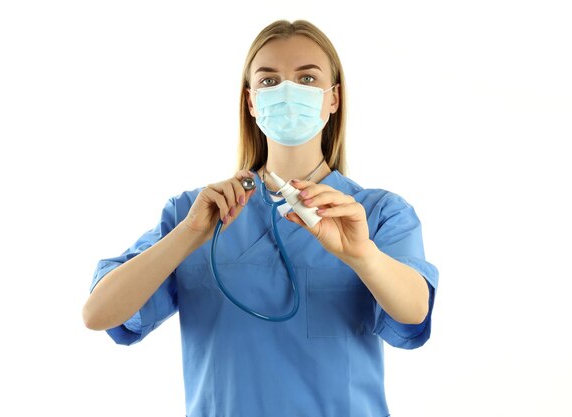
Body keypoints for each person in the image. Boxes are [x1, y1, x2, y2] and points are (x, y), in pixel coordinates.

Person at [83, 19, 438, 417]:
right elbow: (99, 313)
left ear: (333, 98)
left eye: (306, 78)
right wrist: (190, 234)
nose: (288, 92)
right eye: (269, 82)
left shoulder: (375, 213)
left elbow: (414, 311)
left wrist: (361, 254)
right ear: (251, 101)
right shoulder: (196, 213)